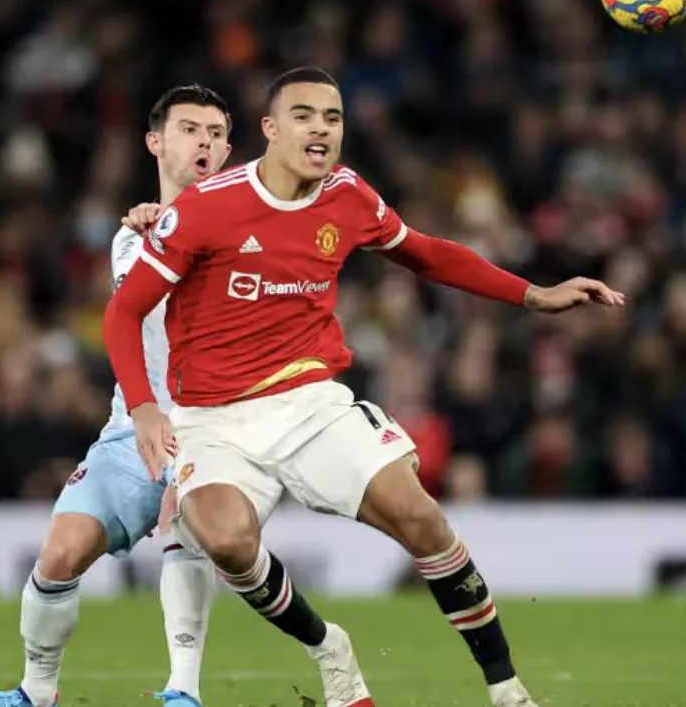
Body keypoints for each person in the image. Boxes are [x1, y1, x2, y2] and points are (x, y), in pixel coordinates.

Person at [105, 67, 624, 707]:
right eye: (303, 116)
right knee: (229, 544)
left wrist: (534, 294)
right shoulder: (206, 208)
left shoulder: (347, 196)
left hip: (308, 404)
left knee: (421, 517)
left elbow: (426, 253)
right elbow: (123, 312)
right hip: (211, 419)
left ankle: (507, 689)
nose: (321, 129)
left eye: (333, 117)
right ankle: (329, 648)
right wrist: (144, 407)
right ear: (270, 129)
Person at [0, 84, 235, 707]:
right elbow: (132, 323)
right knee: (60, 553)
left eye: (216, 134)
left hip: (217, 426)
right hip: (133, 428)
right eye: (190, 129)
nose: (205, 142)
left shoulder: (247, 236)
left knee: (187, 524)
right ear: (155, 142)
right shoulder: (130, 240)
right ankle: (35, 694)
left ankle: (183, 692)